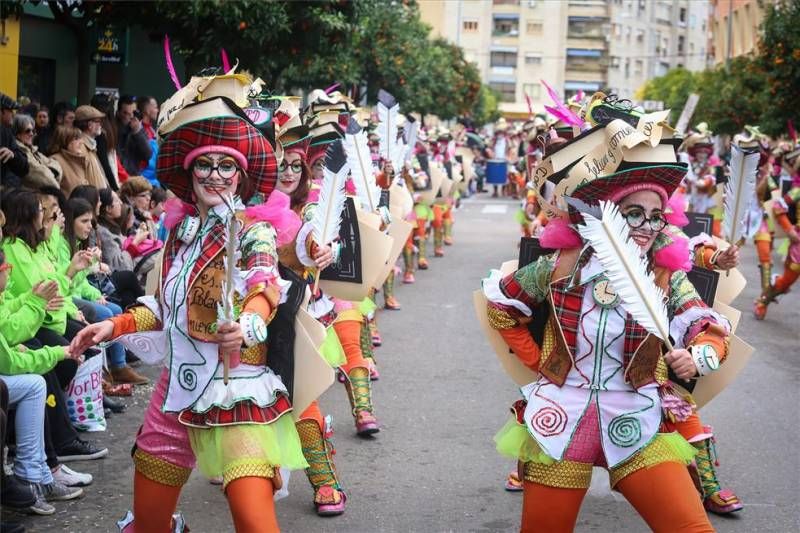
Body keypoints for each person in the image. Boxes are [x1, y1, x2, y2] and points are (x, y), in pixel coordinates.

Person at [71, 90, 306, 532]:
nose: (214, 175)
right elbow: (163, 309)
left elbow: (265, 286)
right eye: (204, 164)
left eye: (226, 166)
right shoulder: (180, 236)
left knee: (256, 524)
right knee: (150, 524)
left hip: (235, 392)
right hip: (176, 392)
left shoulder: (254, 232)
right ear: (189, 170)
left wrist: (249, 324)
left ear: (241, 176)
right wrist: (113, 325)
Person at [484, 119, 728, 532]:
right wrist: (541, 363)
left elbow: (708, 328)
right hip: (560, 419)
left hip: (639, 418)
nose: (648, 227)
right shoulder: (559, 268)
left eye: (656, 216)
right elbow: (502, 308)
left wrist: (698, 358)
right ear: (609, 214)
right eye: (635, 214)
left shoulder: (665, 277)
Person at [0, 250, 86, 514]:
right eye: (6, 266)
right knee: (34, 381)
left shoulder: (39, 247)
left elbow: (8, 315)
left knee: (36, 379)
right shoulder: (20, 244)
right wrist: (57, 353)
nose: (9, 273)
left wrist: (33, 299)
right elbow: (10, 356)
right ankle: (34, 472)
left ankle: (39, 472)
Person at [49, 126, 106, 197]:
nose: (81, 142)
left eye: (80, 138)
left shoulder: (80, 160)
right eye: (76, 139)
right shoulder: (55, 161)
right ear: (65, 141)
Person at [12, 114, 62, 190]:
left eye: (33, 131)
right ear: (18, 134)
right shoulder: (19, 152)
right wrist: (50, 171)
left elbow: (56, 165)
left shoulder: (32, 149)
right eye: (27, 131)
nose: (31, 134)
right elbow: (45, 178)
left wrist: (49, 171)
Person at [73, 105, 110, 190]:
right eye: (98, 121)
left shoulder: (90, 146)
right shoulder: (81, 148)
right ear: (90, 125)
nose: (101, 125)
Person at [115, 95, 152, 176]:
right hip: (117, 176)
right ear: (118, 113)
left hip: (133, 177)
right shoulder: (113, 130)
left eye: (133, 113)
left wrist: (137, 132)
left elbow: (148, 155)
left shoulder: (138, 130)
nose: (131, 117)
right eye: (126, 113)